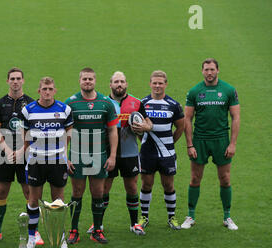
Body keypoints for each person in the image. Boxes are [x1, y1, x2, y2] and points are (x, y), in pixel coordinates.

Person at [182, 58, 240, 230]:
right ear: (202, 71)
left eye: (212, 69)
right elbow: (187, 118)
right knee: (194, 178)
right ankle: (191, 215)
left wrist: (232, 144)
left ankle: (227, 217)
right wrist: (190, 144)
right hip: (200, 140)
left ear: (218, 70)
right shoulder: (194, 91)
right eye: (206, 70)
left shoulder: (229, 90)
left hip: (221, 140)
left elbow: (236, 117)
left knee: (225, 178)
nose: (209, 73)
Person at [64, 68, 119, 245]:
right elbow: (65, 133)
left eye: (90, 79)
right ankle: (74, 230)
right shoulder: (71, 104)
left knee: (98, 193)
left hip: (99, 155)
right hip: (77, 156)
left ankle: (97, 230)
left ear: (95, 81)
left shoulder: (105, 103)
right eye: (84, 79)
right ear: (79, 81)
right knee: (77, 193)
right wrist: (66, 157)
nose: (87, 81)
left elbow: (112, 130)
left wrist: (112, 156)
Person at [0, 67, 39, 244]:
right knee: (1, 191)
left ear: (23, 81)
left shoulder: (32, 104)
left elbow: (34, 131)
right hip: (4, 154)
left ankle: (34, 232)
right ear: (7, 81)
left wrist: (22, 150)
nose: (15, 81)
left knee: (29, 192)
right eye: (12, 79)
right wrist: (7, 150)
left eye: (18, 78)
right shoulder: (0, 104)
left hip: (27, 154)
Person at [20, 77, 73, 248]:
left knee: (58, 201)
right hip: (36, 161)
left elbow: (69, 135)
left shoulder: (64, 110)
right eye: (44, 89)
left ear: (55, 90)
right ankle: (31, 236)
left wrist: (65, 156)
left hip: (57, 161)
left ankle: (61, 238)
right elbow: (25, 137)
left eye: (50, 89)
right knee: (34, 199)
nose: (47, 92)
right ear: (39, 90)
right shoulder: (28, 111)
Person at [99, 71, 152, 236]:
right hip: (108, 153)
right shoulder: (103, 102)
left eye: (122, 81)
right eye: (116, 82)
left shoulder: (136, 103)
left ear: (126, 84)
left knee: (131, 186)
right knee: (104, 188)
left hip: (130, 152)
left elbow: (148, 121)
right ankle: (98, 225)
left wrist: (145, 127)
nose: (119, 84)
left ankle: (134, 223)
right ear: (110, 85)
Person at [138, 70, 185, 231]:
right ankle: (144, 217)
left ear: (166, 84)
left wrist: (170, 142)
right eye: (154, 83)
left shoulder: (173, 105)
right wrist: (144, 141)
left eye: (160, 83)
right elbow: (138, 127)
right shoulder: (142, 103)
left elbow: (181, 127)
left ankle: (172, 218)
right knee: (146, 183)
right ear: (150, 83)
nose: (157, 86)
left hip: (167, 154)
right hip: (147, 153)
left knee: (168, 185)